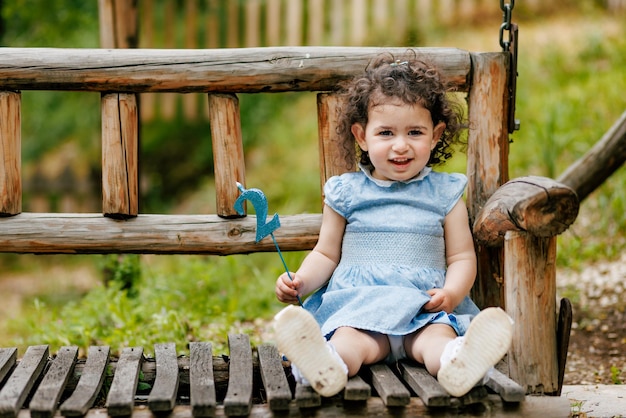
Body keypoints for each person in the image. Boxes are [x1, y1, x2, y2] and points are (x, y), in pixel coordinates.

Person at [273, 53, 513, 398]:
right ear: (362, 136)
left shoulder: (444, 194)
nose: (401, 145)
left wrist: (452, 294)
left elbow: (461, 257)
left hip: (422, 309)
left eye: (415, 132)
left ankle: (457, 362)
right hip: (361, 308)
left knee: (436, 342)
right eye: (386, 132)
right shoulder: (347, 192)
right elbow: (326, 254)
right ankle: (325, 366)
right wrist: (301, 281)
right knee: (350, 342)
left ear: (435, 135)